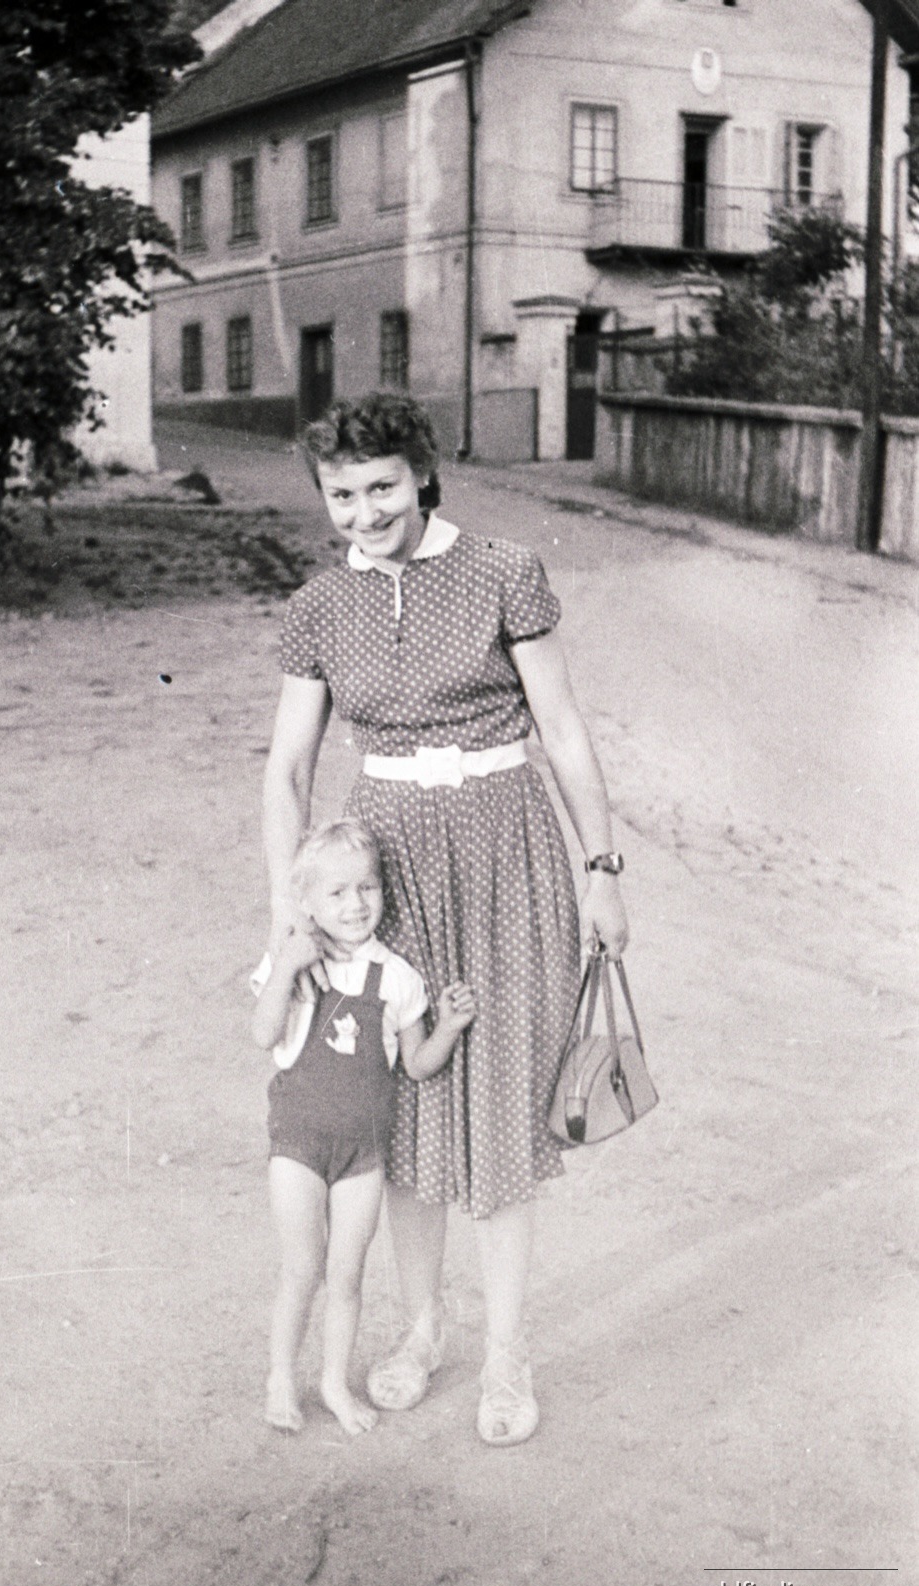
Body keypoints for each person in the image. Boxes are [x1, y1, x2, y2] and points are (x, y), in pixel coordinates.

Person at [262, 393, 629, 1446]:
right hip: (387, 870)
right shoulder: (319, 606)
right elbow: (287, 769)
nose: (364, 511)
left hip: (508, 850)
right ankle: (423, 1330)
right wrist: (289, 914)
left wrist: (602, 867)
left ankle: (507, 1355)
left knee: (504, 1101)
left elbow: (560, 728)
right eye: (341, 494)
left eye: (382, 486)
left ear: (423, 472)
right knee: (404, 1110)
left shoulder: (506, 571)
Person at [252, 817, 476, 1436]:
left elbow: (420, 1064)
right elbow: (262, 1032)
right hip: (297, 1145)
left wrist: (451, 1027)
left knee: (347, 1276)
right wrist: (286, 964)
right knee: (303, 1268)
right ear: (307, 902)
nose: (356, 904)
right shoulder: (294, 963)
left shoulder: (397, 977)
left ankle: (332, 1383)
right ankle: (280, 1378)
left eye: (368, 887)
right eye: (337, 892)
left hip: (363, 1155)